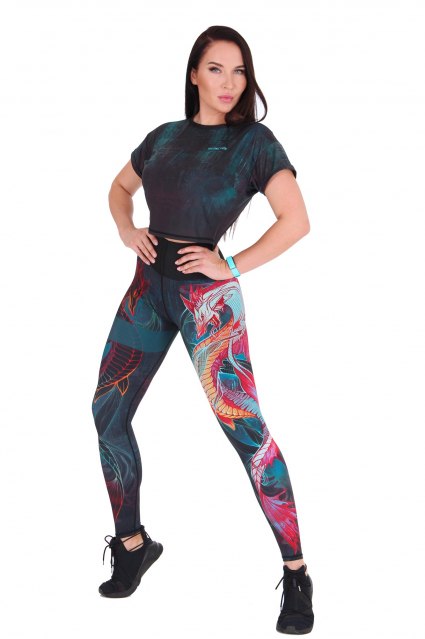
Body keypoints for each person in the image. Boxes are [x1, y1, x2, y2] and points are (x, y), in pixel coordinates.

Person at [91, 24, 314, 635]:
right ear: (194, 74)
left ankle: (296, 572)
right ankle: (132, 545)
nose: (229, 82)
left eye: (239, 71)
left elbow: (296, 220)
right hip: (147, 290)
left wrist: (231, 264)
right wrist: (127, 229)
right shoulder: (163, 138)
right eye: (216, 69)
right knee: (107, 412)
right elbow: (119, 188)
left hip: (206, 302)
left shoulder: (255, 143)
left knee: (247, 433)